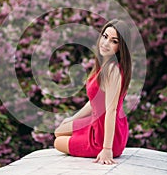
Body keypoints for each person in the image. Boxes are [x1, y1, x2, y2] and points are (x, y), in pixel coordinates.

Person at [54, 19, 132, 165]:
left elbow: (112, 110)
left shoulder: (112, 70)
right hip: (95, 122)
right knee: (59, 131)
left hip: (105, 136)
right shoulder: (103, 65)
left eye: (114, 41)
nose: (106, 43)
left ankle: (105, 145)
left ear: (121, 48)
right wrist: (73, 118)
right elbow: (94, 102)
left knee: (58, 142)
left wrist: (107, 148)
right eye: (105, 36)